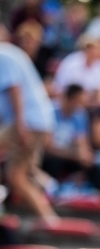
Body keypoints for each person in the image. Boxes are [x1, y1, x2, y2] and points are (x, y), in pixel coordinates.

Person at [0, 40, 56, 222]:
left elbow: (15, 90)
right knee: (21, 174)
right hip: (35, 121)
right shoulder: (10, 52)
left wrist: (20, 125)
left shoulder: (3, 55)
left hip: (28, 122)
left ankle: (49, 219)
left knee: (16, 176)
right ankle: (48, 203)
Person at [42, 83, 93, 183]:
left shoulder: (80, 114)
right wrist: (75, 156)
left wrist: (85, 155)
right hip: (51, 155)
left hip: (68, 153)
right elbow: (48, 147)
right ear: (70, 99)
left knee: (90, 163)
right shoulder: (49, 111)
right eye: (79, 102)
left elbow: (82, 141)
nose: (81, 106)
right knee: (54, 162)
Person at [53, 34, 100, 106]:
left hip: (90, 104)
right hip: (68, 101)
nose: (99, 52)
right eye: (97, 48)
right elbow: (59, 87)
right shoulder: (71, 62)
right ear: (88, 48)